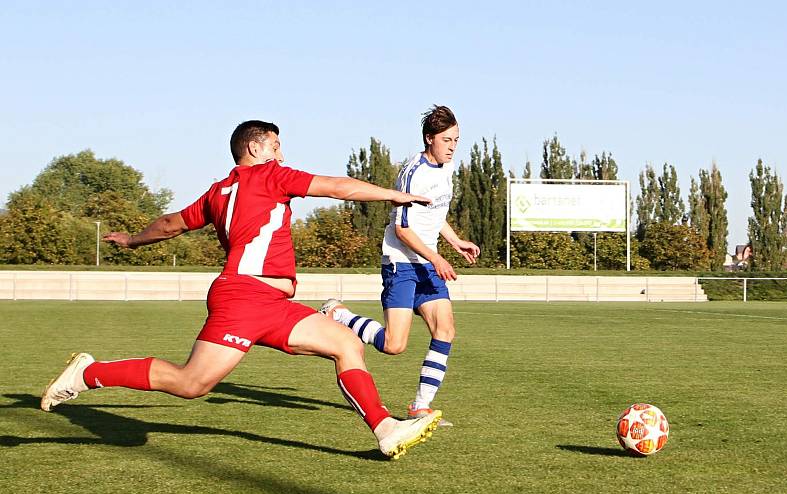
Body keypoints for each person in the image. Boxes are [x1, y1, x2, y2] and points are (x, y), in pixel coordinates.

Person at [41, 120, 443, 460]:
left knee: (345, 344)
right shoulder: (271, 175)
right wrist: (394, 194)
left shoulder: (218, 192)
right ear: (255, 147)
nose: (282, 156)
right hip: (244, 298)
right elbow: (337, 186)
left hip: (269, 301)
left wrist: (132, 240)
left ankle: (384, 427)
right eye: (276, 146)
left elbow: (170, 224)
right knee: (191, 384)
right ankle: (88, 373)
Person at [319, 105, 479, 426]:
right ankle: (340, 315)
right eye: (447, 140)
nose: (452, 146)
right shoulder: (413, 174)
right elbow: (404, 229)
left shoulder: (446, 169)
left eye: (456, 140)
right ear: (429, 139)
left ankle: (420, 407)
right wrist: (436, 257)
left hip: (428, 265)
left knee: (445, 329)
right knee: (394, 345)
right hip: (402, 264)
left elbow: (434, 215)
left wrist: (454, 240)